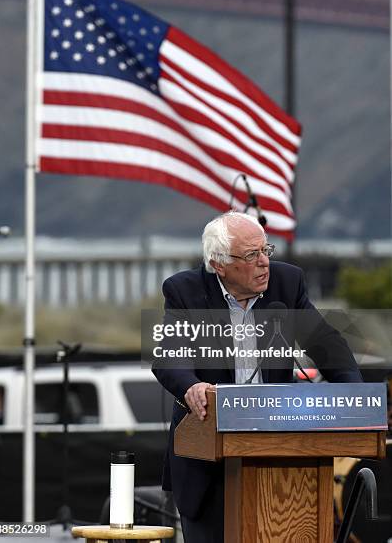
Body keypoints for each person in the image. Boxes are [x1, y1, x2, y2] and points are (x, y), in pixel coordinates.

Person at [152, 211, 362, 543]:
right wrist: (192, 387)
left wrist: (356, 399)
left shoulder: (286, 283)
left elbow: (327, 346)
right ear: (218, 263)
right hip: (209, 463)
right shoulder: (184, 291)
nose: (264, 262)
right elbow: (168, 358)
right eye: (252, 255)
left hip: (284, 459)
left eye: (267, 250)